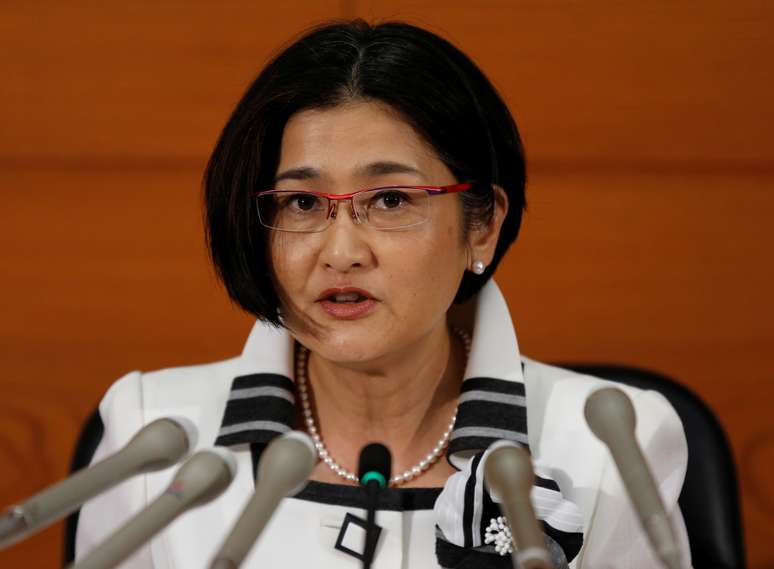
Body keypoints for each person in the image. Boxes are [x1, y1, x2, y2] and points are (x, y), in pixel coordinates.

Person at [74, 19, 692, 569]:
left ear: (482, 224)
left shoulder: (609, 445)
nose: (341, 251)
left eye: (391, 199)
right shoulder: (150, 432)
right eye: (303, 203)